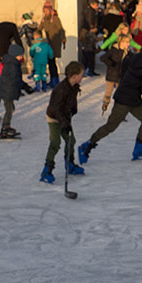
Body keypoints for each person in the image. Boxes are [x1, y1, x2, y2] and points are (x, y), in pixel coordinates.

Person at [79, 40, 142, 164]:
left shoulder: (135, 58)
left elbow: (125, 66)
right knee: (111, 126)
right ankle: (87, 145)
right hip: (124, 100)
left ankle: (139, 149)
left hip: (133, 99)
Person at [40, 61, 84, 194]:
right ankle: (46, 170)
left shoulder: (74, 86)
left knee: (71, 140)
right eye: (81, 75)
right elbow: (56, 109)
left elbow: (70, 102)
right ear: (74, 75)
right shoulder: (61, 89)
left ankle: (69, 164)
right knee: (55, 142)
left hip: (64, 116)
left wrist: (73, 110)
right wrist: (65, 123)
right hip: (54, 118)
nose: (82, 78)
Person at [99, 23, 130, 113]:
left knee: (121, 94)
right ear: (121, 42)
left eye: (128, 42)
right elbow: (103, 58)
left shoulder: (127, 52)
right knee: (108, 92)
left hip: (121, 76)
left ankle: (119, 111)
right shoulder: (113, 50)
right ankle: (105, 104)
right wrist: (111, 63)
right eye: (127, 42)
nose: (128, 44)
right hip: (112, 75)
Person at [0, 43, 25, 139]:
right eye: (20, 55)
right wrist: (23, 87)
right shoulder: (12, 65)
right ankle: (5, 129)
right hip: (7, 91)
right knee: (9, 110)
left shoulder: (12, 63)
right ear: (14, 55)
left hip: (7, 91)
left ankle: (7, 127)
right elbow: (15, 79)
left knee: (10, 109)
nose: (21, 57)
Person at [40, 1, 65, 87]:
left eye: (46, 10)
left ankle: (55, 81)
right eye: (44, 10)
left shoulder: (55, 18)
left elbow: (61, 29)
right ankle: (53, 80)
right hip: (48, 43)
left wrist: (63, 38)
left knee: (52, 62)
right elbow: (40, 28)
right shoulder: (44, 19)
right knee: (51, 62)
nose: (45, 12)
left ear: (50, 10)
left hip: (55, 43)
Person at [79, 0, 102, 76]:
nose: (97, 6)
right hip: (88, 32)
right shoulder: (90, 11)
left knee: (88, 51)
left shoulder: (89, 10)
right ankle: (88, 69)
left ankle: (88, 69)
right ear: (93, 4)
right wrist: (92, 28)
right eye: (96, 5)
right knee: (89, 51)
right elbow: (90, 21)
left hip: (86, 32)